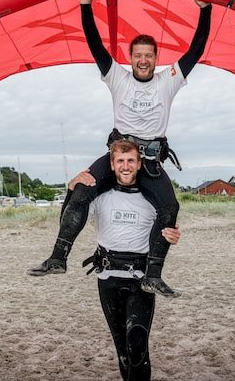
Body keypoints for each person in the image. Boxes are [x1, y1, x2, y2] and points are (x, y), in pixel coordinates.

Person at [28, 0, 211, 297]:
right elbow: (96, 46)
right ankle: (58, 258)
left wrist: (205, 11)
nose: (143, 60)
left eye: (148, 56)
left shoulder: (169, 80)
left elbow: (195, 51)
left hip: (149, 161)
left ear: (156, 58)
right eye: (137, 55)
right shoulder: (117, 78)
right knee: (81, 188)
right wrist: (86, 7)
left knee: (170, 207)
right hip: (118, 155)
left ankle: (153, 275)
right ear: (131, 58)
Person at [73, 140, 181, 380]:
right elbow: (74, 214)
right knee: (122, 350)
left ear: (139, 164)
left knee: (137, 345)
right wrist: (73, 187)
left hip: (140, 280)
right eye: (120, 161)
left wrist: (172, 235)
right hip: (107, 279)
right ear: (111, 165)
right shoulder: (99, 198)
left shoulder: (153, 200)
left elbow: (167, 229)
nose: (125, 166)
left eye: (130, 160)